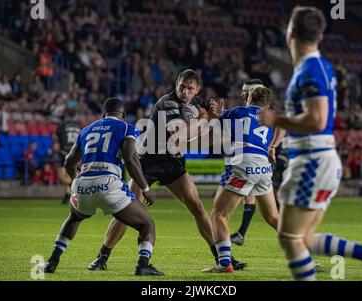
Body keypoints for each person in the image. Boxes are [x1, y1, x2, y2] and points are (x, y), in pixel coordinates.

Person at [258, 6, 362, 281]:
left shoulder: (310, 69)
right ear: (319, 36)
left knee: (289, 238)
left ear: (290, 32)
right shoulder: (320, 67)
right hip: (319, 160)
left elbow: (316, 120)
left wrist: (277, 120)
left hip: (312, 161)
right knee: (302, 238)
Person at [87, 69, 246, 271]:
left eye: (190, 89)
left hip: (173, 162)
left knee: (197, 207)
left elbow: (214, 111)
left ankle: (223, 258)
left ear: (197, 90)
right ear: (176, 84)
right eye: (182, 87)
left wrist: (217, 114)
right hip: (148, 161)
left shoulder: (198, 103)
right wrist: (204, 119)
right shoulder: (168, 103)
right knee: (126, 209)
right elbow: (178, 133)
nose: (185, 92)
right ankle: (101, 258)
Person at [40, 98, 164, 276]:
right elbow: (130, 158)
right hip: (108, 183)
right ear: (123, 115)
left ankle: (52, 261)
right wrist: (145, 188)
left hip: (83, 184)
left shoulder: (86, 129)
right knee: (147, 224)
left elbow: (68, 162)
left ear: (104, 114)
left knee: (74, 217)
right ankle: (143, 264)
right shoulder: (127, 128)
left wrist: (77, 179)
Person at [203, 85, 283, 273]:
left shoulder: (239, 111)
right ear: (267, 104)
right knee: (273, 217)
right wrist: (273, 147)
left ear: (248, 98)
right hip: (263, 166)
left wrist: (218, 114)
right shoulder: (269, 119)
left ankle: (224, 263)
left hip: (243, 162)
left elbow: (218, 124)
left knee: (219, 215)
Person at [230, 79, 280, 246]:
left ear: (253, 93)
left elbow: (282, 126)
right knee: (272, 216)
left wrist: (272, 146)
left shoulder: (259, 110)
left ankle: (224, 258)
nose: (243, 94)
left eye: (246, 91)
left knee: (219, 214)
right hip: (254, 162)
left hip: (251, 159)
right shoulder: (250, 111)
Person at [56, 100, 81, 204]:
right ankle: (68, 195)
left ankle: (74, 186)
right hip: (75, 152)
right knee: (68, 174)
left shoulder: (62, 125)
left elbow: (56, 138)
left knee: (62, 175)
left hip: (64, 151)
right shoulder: (78, 126)